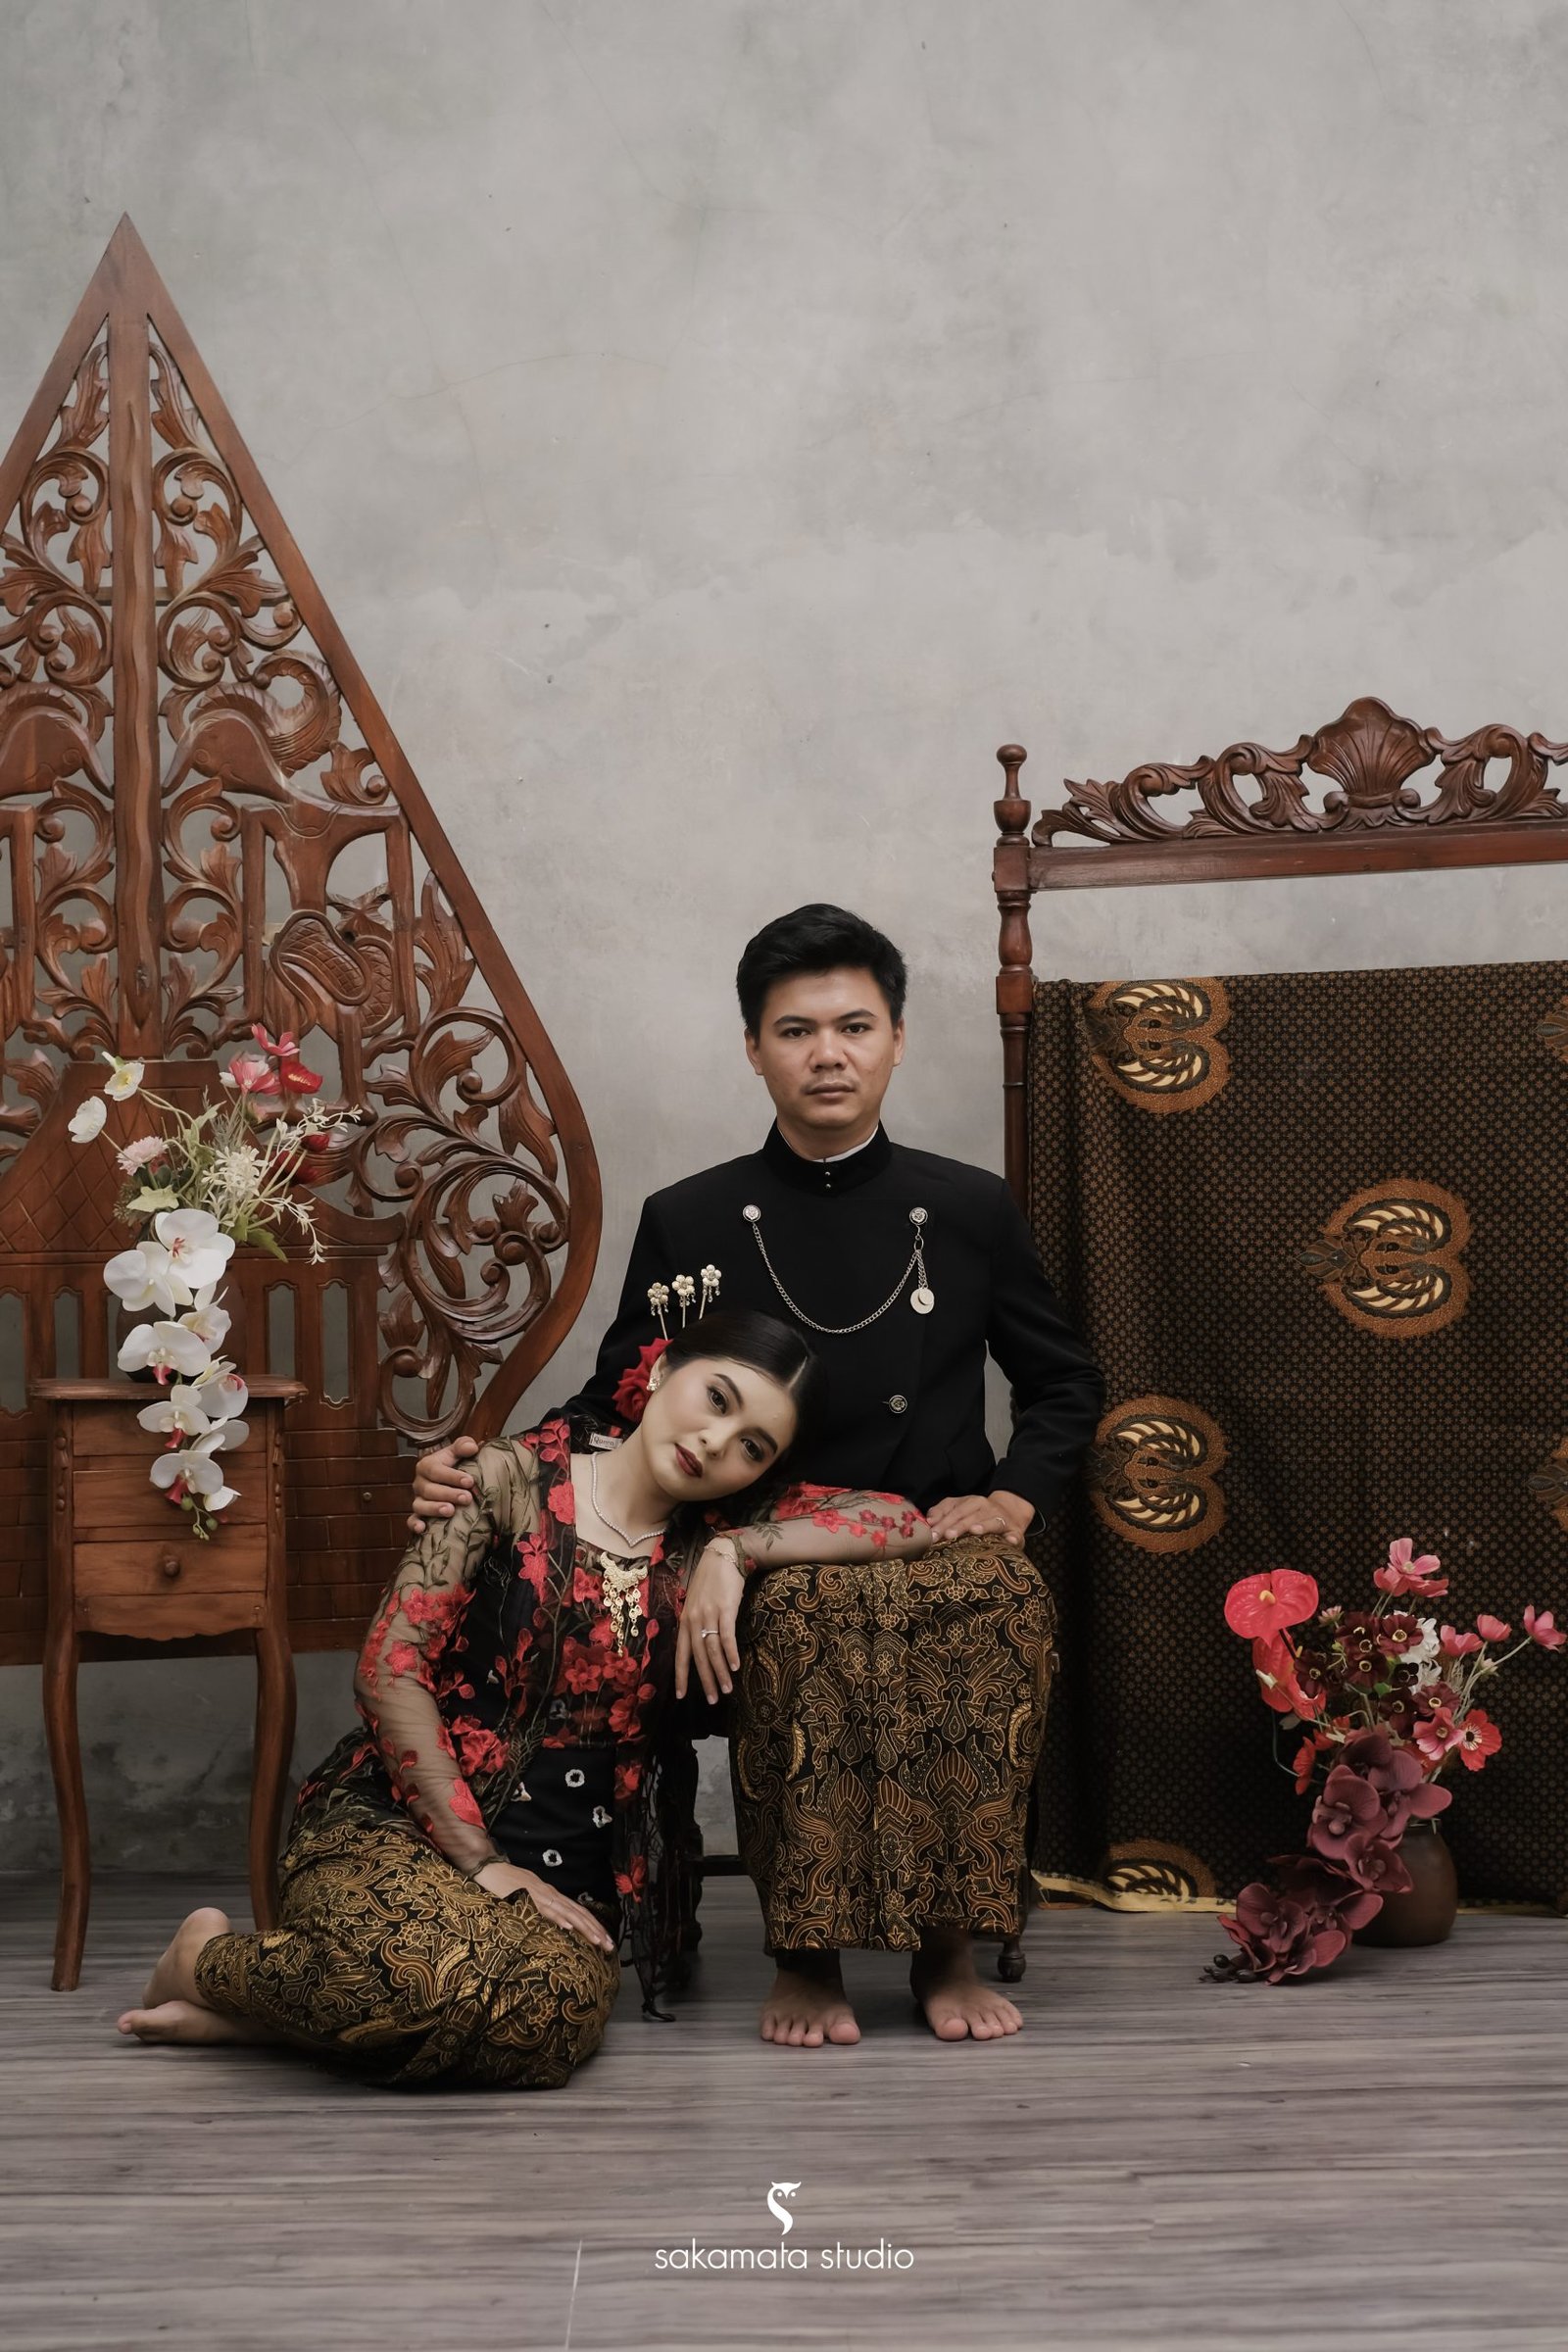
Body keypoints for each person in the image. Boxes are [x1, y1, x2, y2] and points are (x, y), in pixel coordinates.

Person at [412, 905, 1102, 2050]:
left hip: (920, 1529)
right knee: (802, 1625)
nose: (827, 1054)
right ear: (753, 1048)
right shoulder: (688, 1217)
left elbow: (1064, 1380)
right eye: (795, 1031)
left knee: (992, 1607)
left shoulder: (967, 1208)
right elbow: (616, 1403)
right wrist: (487, 1469)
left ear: (895, 1040)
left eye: (853, 1027)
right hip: (749, 1536)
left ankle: (947, 1944)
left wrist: (1013, 1496)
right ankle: (806, 1953)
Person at [117, 1310, 930, 2089]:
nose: (718, 1441)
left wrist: (736, 1550)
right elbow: (389, 1666)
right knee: (423, 1977)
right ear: (663, 1370)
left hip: (570, 1893)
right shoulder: (507, 1479)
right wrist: (484, 1863)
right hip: (405, 1828)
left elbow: (898, 1519)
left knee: (553, 2017)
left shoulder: (713, 1529)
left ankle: (253, 2019)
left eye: (753, 1446)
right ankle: (203, 1961)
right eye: (716, 1398)